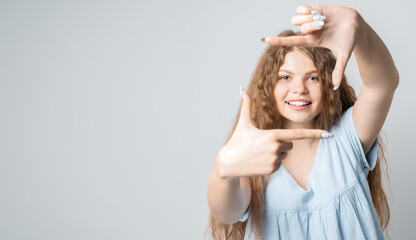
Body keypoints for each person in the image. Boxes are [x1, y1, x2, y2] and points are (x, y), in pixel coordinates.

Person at [206, 4, 399, 240]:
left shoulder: (347, 139)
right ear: (268, 87)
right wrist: (224, 169)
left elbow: (382, 84)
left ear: (328, 84)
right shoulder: (256, 157)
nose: (299, 88)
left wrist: (361, 31)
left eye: (313, 77)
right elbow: (227, 212)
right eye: (285, 77)